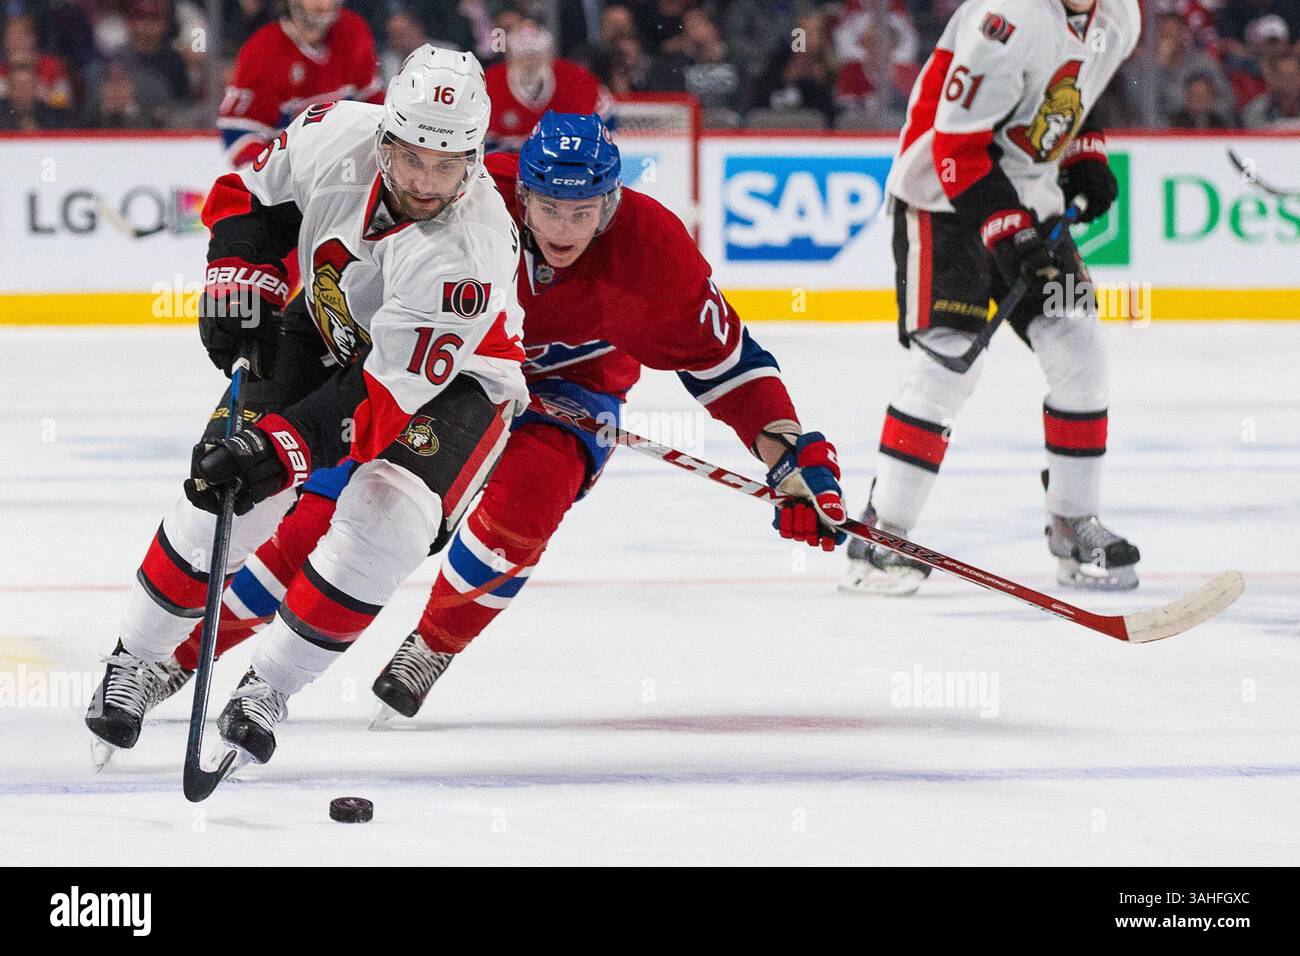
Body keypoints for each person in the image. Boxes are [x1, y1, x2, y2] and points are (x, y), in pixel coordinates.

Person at [168, 110, 848, 728]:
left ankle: (431, 646)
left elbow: (730, 365)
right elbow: (336, 237)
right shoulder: (458, 195)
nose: (563, 229)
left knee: (526, 505)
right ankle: (183, 653)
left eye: (584, 212)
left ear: (611, 202)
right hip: (439, 373)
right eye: (549, 208)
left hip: (570, 392)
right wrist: (254, 270)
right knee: (318, 515)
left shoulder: (654, 254)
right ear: (519, 194)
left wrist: (792, 459)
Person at [85, 46, 527, 768]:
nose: (424, 181)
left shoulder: (470, 253)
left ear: (473, 162)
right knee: (219, 488)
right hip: (329, 325)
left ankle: (269, 686)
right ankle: (131, 659)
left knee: (388, 520)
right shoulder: (334, 128)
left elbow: (380, 402)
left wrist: (283, 447)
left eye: (446, 166)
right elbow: (253, 195)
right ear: (386, 135)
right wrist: (240, 266)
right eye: (412, 157)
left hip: (456, 385)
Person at [841, 0, 1142, 597]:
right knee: (945, 367)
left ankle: (1072, 522)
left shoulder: (1120, 18)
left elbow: (1078, 91)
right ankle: (882, 534)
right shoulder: (1004, 18)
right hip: (942, 203)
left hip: (1033, 199)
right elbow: (955, 147)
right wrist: (1010, 230)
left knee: (1080, 353)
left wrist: (1085, 157)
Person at [218, 0, 383, 167]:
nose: (324, 5)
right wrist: (276, 180)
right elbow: (239, 136)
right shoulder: (263, 51)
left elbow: (375, 106)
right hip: (288, 175)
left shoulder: (352, 32)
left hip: (346, 171)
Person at [484, 21, 614, 151]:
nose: (529, 64)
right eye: (522, 57)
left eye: (535, 56)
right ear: (509, 57)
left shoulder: (575, 78)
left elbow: (607, 118)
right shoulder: (489, 83)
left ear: (549, 55)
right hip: (508, 163)